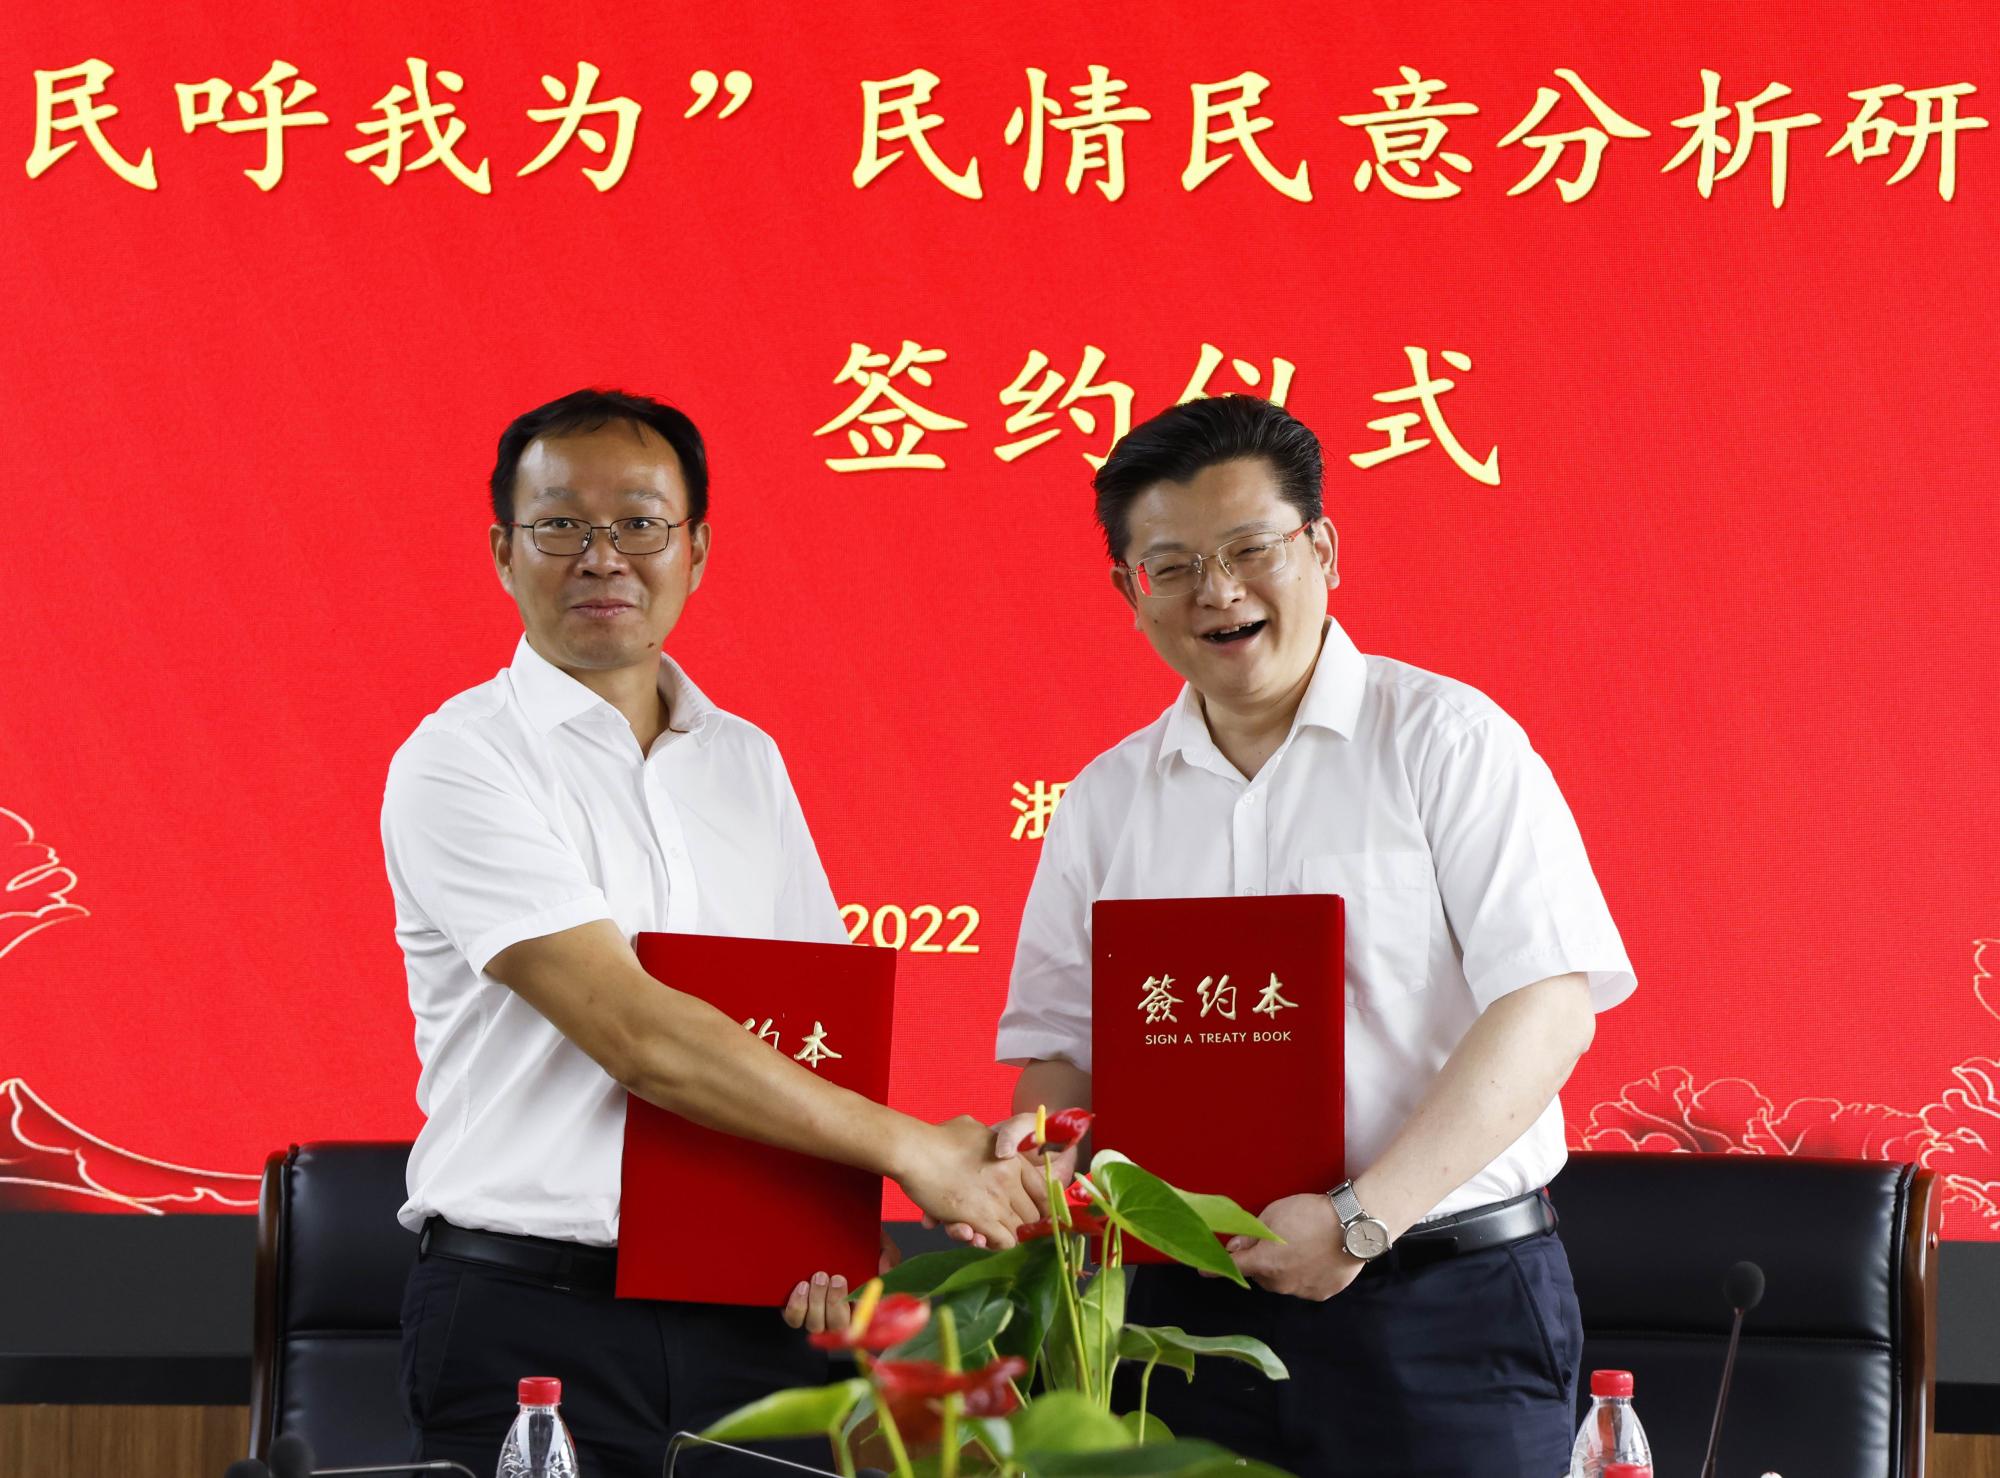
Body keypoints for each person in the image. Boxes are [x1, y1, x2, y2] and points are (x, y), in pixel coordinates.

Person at [381, 388, 1042, 1478]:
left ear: (695, 549)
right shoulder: (461, 759)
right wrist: (917, 1150)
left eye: (640, 523)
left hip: (753, 1316)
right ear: (503, 552)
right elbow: (636, 1034)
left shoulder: (746, 762)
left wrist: (831, 1234)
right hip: (531, 1316)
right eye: (561, 524)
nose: (603, 556)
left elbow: (813, 1032)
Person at [992, 395, 1636, 1477]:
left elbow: (1546, 1006)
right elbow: (1064, 1053)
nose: (1219, 590)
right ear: (1129, 591)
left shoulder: (1446, 742)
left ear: (1322, 549)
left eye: (1252, 549)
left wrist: (1359, 1219)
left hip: (1440, 1307)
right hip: (1182, 1326)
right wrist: (1040, 1156)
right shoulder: (1104, 799)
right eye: (1173, 565)